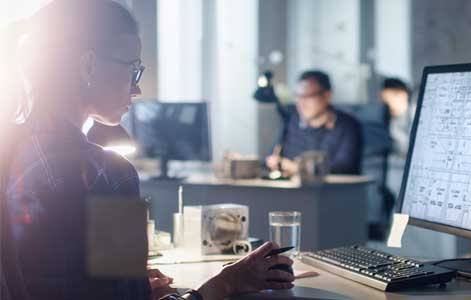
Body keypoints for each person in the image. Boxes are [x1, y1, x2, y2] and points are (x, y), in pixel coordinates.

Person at [0, 1, 293, 300]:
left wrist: (131, 286)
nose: (136, 89)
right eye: (133, 69)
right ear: (87, 65)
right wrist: (225, 283)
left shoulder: (11, 149)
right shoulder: (107, 174)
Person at [266, 70, 363, 175]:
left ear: (327, 96)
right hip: (293, 189)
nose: (301, 103)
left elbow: (344, 167)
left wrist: (299, 168)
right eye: (298, 97)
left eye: (307, 96)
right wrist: (275, 162)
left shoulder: (348, 126)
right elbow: (271, 156)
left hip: (333, 190)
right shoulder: (292, 122)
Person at [379, 77, 414, 156]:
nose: (386, 105)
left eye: (389, 99)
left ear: (403, 95)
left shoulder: (414, 115)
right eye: (384, 100)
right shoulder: (388, 117)